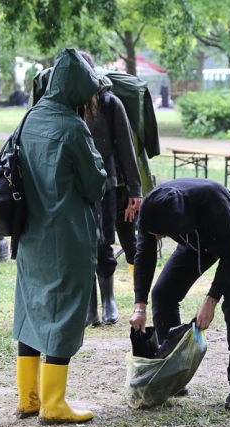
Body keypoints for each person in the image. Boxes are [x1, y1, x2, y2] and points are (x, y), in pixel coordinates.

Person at [13, 49, 107, 424]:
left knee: (31, 310)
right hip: (66, 236)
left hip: (31, 235)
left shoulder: (30, 117)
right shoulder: (72, 127)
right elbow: (95, 185)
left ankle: (28, 398)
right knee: (64, 314)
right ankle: (54, 404)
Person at [129, 178, 230, 410]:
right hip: (197, 240)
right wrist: (139, 306)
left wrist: (210, 300)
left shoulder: (212, 199)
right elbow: (144, 254)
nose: (156, 237)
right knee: (163, 294)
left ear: (176, 223)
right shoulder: (153, 207)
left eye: (159, 233)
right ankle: (174, 376)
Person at [76, 51, 143, 327]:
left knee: (104, 240)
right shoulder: (65, 104)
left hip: (106, 184)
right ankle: (89, 306)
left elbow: (127, 149)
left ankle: (108, 299)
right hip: (73, 186)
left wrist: (136, 191)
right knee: (81, 244)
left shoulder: (110, 103)